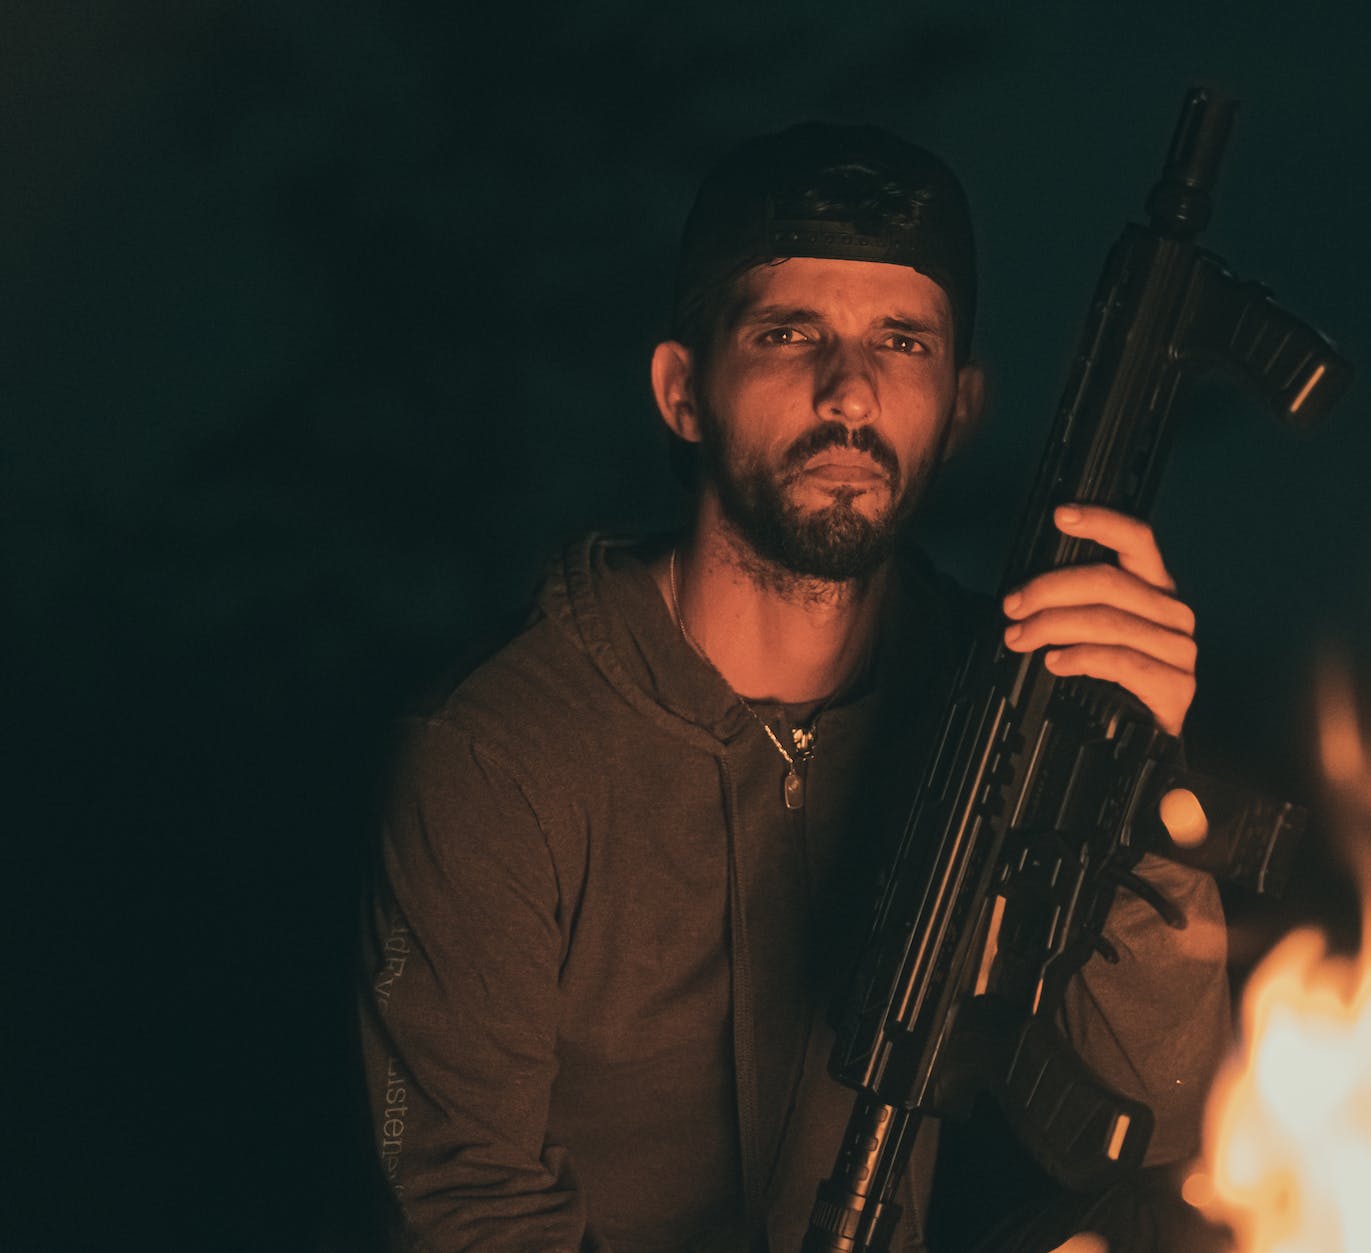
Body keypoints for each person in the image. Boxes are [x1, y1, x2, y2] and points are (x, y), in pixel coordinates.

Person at [360, 121, 1230, 1252]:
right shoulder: (500, 749)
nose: (852, 392)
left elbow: (1157, 1114)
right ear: (683, 390)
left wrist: (1132, 780)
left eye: (902, 342)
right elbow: (469, 1210)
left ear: (958, 407)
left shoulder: (1009, 689)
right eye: (788, 332)